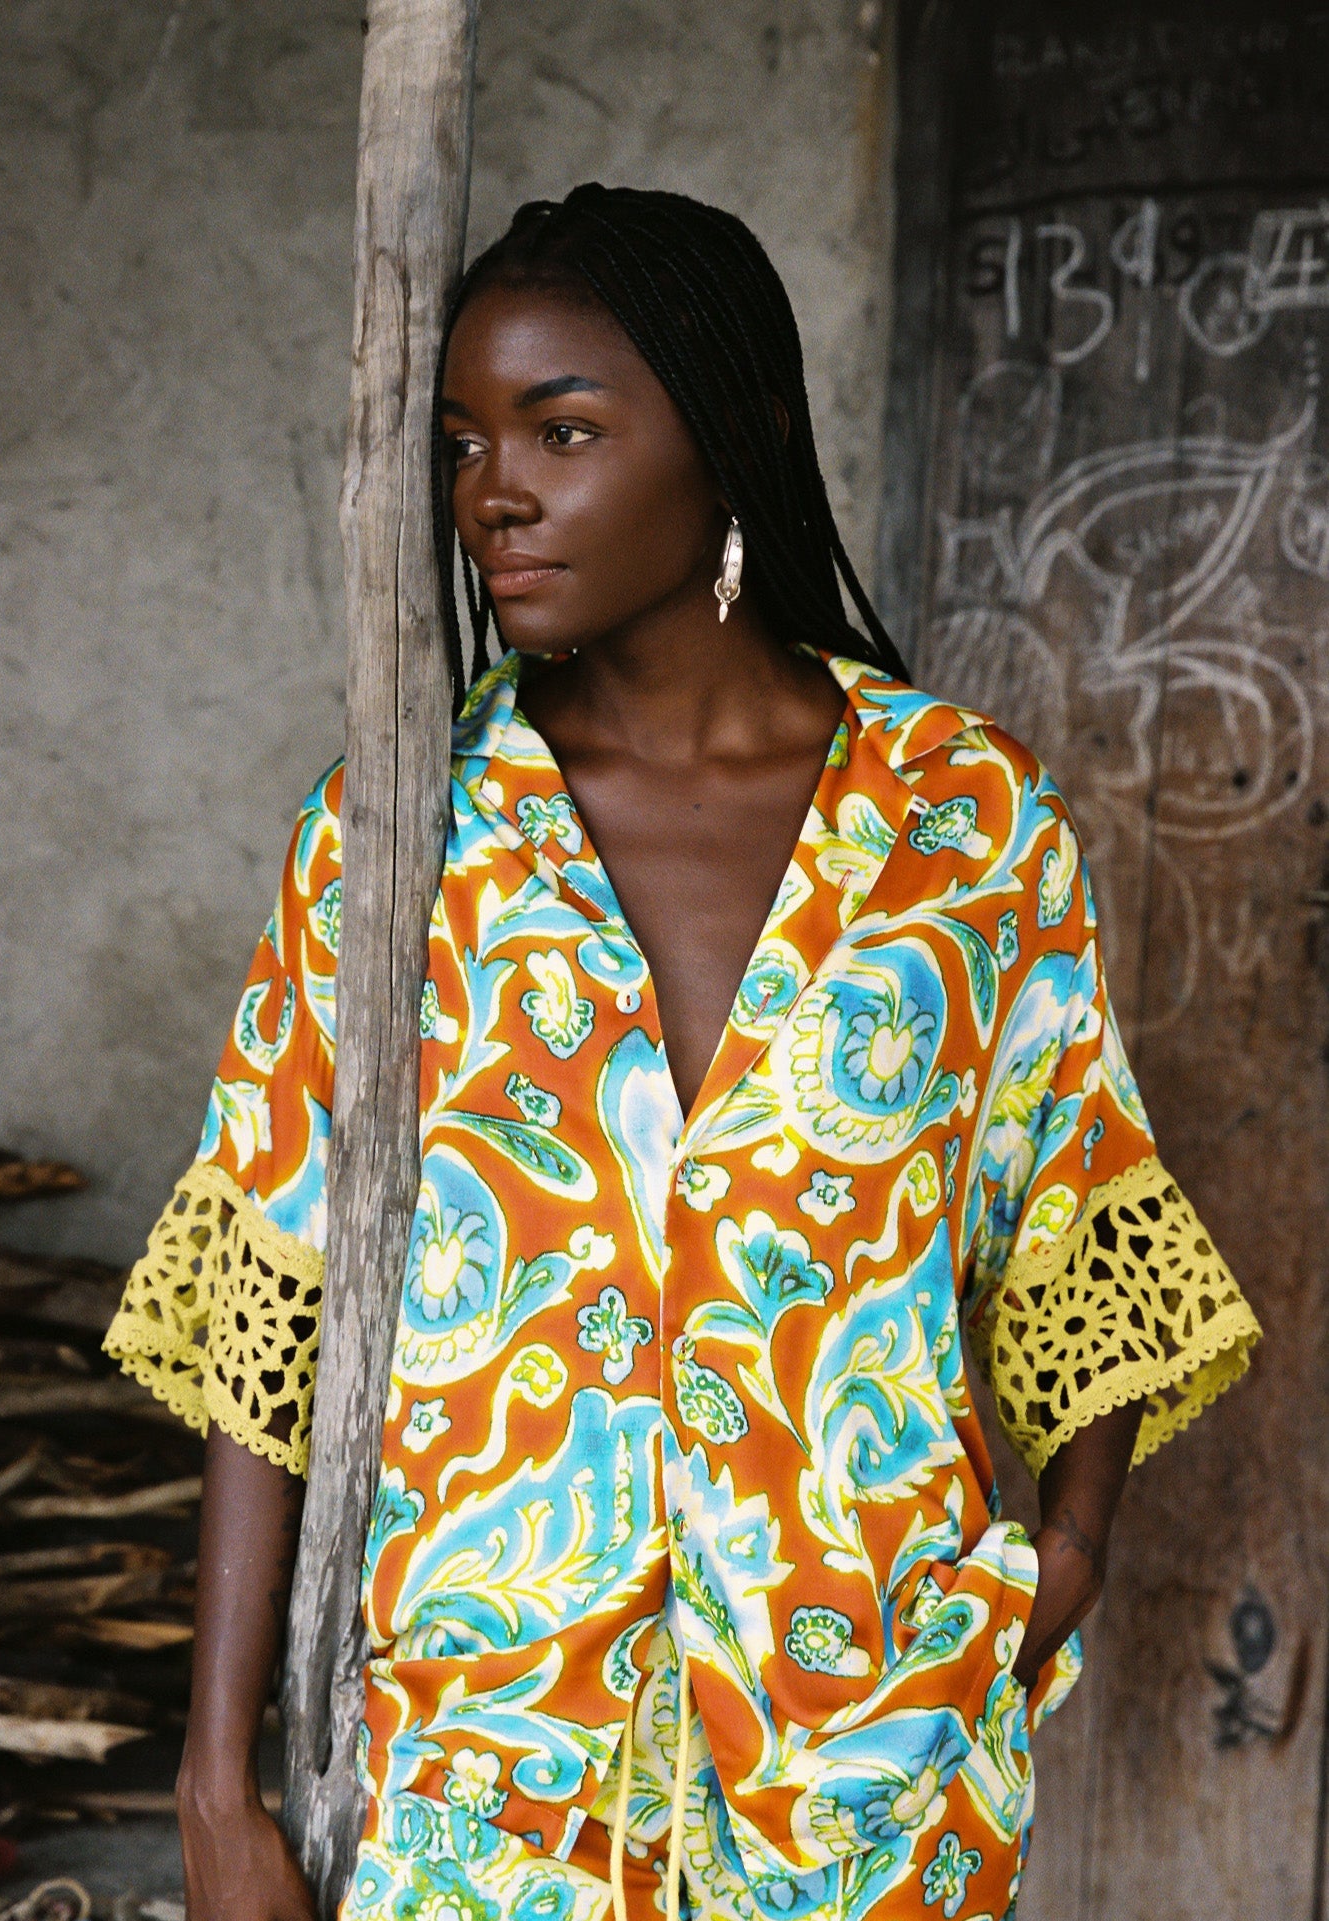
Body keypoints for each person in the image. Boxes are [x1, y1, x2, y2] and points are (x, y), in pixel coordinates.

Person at [107, 184, 1261, 1921]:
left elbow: (1084, 1212)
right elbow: (269, 1306)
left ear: (733, 435)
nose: (494, 491)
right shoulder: (399, 840)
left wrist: (1070, 1553)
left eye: (561, 430)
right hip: (488, 1781)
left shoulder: (963, 824)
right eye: (463, 442)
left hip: (866, 1773)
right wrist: (218, 1785)